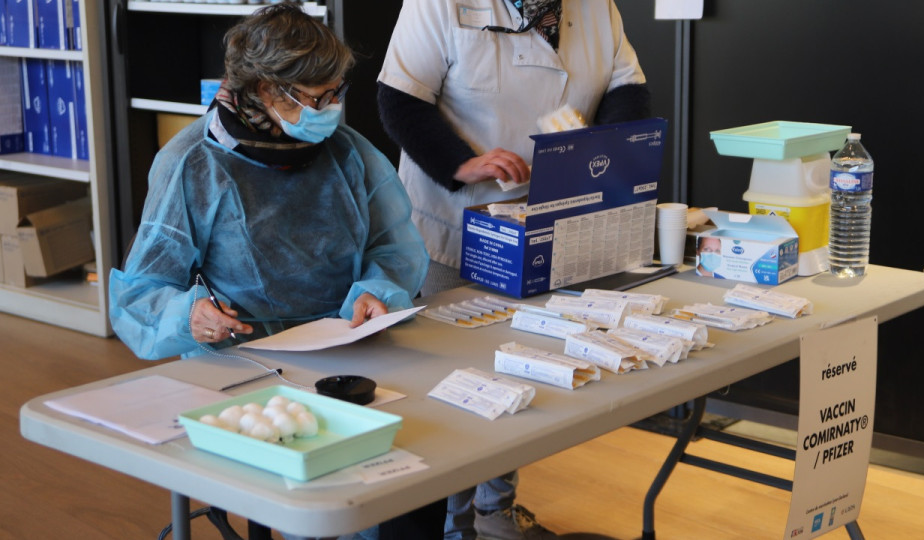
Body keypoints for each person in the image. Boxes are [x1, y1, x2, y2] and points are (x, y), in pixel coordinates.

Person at [108, 4, 441, 538]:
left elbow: (392, 245)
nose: (331, 109)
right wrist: (188, 316)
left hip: (346, 342)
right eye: (316, 98)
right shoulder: (194, 163)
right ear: (266, 90)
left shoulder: (347, 152)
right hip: (244, 361)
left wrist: (379, 287)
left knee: (415, 470)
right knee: (325, 492)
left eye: (337, 93)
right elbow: (142, 291)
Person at [377, 1, 651, 538]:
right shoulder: (440, 5)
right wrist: (460, 162)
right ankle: (448, 526)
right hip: (453, 222)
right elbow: (400, 100)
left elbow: (627, 88)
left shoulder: (594, 6)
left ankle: (494, 513)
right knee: (448, 386)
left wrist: (602, 149)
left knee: (514, 368)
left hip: (540, 220)